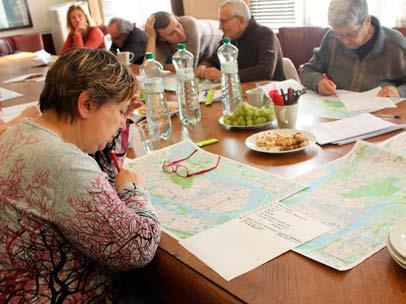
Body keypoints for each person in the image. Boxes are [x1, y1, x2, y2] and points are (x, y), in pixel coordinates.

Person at [0, 48, 161, 303]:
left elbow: (97, 157)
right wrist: (133, 190)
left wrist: (117, 118)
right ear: (86, 104)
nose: (122, 123)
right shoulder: (63, 163)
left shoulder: (18, 133)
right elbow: (137, 248)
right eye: (119, 112)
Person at [300, 0, 406, 97]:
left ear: (367, 21)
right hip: (337, 113)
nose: (345, 41)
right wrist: (318, 82)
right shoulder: (331, 38)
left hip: (383, 114)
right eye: (339, 35)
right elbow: (307, 70)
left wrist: (398, 92)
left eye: (351, 34)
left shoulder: (396, 45)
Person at [195, 0, 285, 83]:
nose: (220, 27)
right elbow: (212, 60)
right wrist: (204, 66)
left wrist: (225, 76)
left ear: (241, 20)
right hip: (242, 93)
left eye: (223, 21)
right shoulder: (229, 39)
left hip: (272, 95)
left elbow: (265, 71)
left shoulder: (265, 34)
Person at [144, 11, 223, 68]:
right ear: (162, 39)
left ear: (177, 19)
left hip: (223, 44)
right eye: (172, 33)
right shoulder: (160, 41)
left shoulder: (190, 25)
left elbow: (189, 67)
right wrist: (152, 37)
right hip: (204, 59)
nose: (180, 33)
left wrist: (163, 66)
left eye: (178, 25)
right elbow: (149, 69)